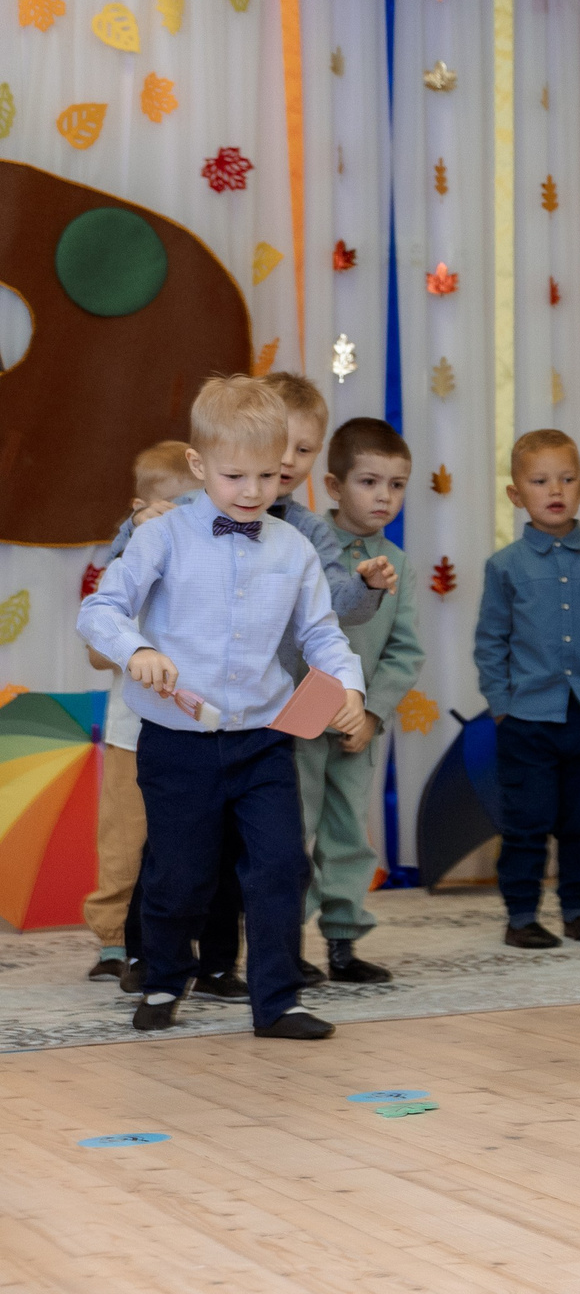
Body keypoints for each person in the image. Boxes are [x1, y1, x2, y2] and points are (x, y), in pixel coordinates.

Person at [77, 374, 368, 1040]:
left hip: (264, 737)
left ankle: (278, 1000)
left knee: (280, 865)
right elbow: (100, 609)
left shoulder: (293, 549)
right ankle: (161, 977)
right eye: (236, 475)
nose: (253, 491)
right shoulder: (162, 537)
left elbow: (321, 632)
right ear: (199, 465)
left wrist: (345, 688)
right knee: (181, 873)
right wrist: (136, 649)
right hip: (178, 740)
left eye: (269, 475)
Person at [473, 430, 580, 948]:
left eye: (566, 479)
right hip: (528, 720)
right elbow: (490, 642)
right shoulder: (504, 566)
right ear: (516, 494)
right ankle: (521, 916)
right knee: (527, 821)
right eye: (540, 481)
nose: (555, 489)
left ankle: (576, 907)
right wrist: (502, 706)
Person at [294, 417, 422, 984]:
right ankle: (285, 941)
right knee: (293, 830)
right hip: (297, 717)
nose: (384, 497)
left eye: (396, 485)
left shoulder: (401, 564)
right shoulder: (299, 545)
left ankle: (343, 944)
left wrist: (372, 712)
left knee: (349, 833)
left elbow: (405, 650)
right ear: (332, 485)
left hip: (358, 726)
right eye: (369, 482)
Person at [79, 440, 195, 986]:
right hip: (132, 735)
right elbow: (98, 651)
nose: (183, 522)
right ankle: (110, 939)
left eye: (197, 507)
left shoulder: (209, 568)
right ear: (140, 509)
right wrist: (139, 645)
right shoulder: (128, 564)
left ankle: (175, 937)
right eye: (171, 508)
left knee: (182, 846)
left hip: (191, 733)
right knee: (125, 842)